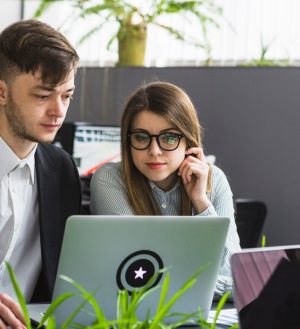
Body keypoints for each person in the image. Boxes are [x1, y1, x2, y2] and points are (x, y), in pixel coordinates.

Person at [90, 81, 241, 298]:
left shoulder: (214, 179)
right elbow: (140, 275)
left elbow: (235, 276)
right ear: (128, 140)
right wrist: (205, 284)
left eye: (169, 138)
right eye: (141, 137)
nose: (154, 151)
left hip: (206, 318)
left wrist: (200, 201)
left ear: (188, 141)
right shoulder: (110, 179)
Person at [0, 19, 81, 329]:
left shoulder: (60, 169)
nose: (58, 111)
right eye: (43, 96)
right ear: (2, 92)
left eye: (67, 96)